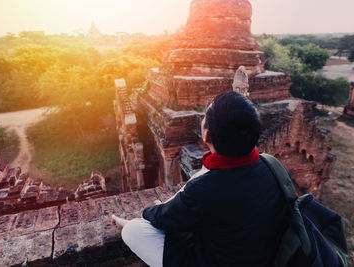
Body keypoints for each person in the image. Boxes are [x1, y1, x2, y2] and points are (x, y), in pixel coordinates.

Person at [112, 91, 287, 267]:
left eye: (205, 117)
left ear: (207, 136)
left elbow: (160, 218)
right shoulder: (270, 165)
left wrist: (157, 210)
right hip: (264, 256)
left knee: (132, 231)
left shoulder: (206, 188)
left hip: (222, 259)